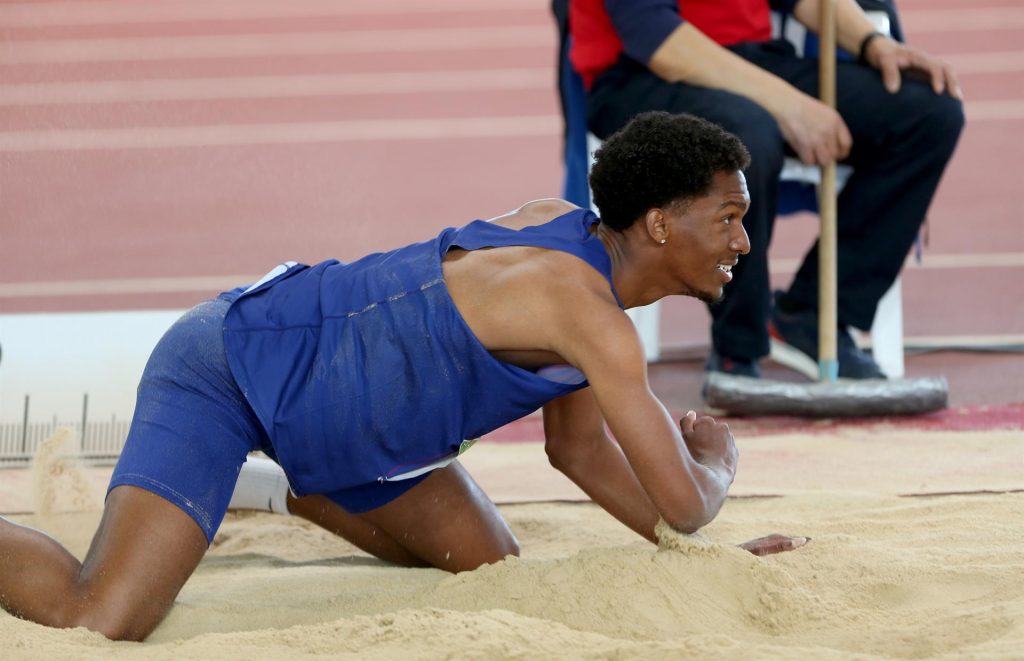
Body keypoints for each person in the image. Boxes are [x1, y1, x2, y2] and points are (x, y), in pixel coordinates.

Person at [0, 112, 806, 642]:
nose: (743, 241)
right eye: (728, 218)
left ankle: (291, 485)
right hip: (231, 368)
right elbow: (684, 500)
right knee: (101, 616)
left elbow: (581, 453)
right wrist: (716, 462)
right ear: (660, 224)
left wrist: (705, 550)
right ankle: (240, 466)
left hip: (353, 428)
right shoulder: (588, 312)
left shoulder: (569, 243)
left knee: (489, 562)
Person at [570, 0, 964, 381]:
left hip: (752, 59)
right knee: (745, 138)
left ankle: (812, 314)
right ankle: (737, 349)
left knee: (929, 114)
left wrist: (875, 44)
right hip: (640, 74)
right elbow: (654, 35)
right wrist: (790, 106)